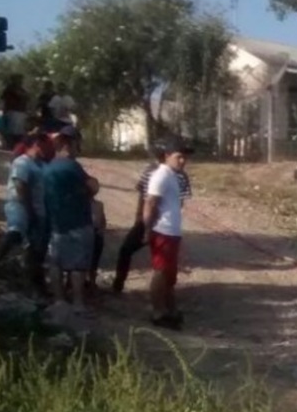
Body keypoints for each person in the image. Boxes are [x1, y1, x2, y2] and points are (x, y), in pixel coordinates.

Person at [112, 144, 193, 294]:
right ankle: (119, 282)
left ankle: (164, 297)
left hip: (161, 224)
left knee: (161, 264)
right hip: (154, 221)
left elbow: (177, 202)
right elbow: (145, 198)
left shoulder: (179, 175)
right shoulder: (154, 171)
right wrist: (141, 221)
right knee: (128, 251)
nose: (183, 160)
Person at [42, 126, 99, 314]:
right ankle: (77, 303)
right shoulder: (71, 166)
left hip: (57, 224)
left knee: (56, 263)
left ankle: (59, 300)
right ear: (69, 143)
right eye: (77, 143)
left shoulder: (49, 167)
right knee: (77, 266)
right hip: (78, 222)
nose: (78, 147)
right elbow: (92, 186)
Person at [0, 133, 52, 294]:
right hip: (20, 206)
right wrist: (29, 209)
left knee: (36, 250)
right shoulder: (23, 162)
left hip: (40, 211)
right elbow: (20, 186)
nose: (49, 149)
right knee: (16, 232)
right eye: (46, 145)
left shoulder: (42, 165)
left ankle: (36, 285)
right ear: (38, 144)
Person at [143, 138, 193, 329]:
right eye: (179, 157)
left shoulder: (172, 175)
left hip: (171, 232)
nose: (183, 161)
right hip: (162, 231)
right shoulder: (161, 175)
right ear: (167, 156)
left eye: (184, 157)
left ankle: (170, 309)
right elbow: (150, 202)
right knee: (160, 272)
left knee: (169, 275)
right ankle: (157, 312)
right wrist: (147, 229)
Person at [0, 74, 29, 148]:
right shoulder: (11, 88)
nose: (21, 81)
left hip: (21, 112)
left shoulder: (21, 89)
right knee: (13, 132)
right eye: (19, 79)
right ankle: (11, 147)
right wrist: (4, 111)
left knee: (19, 132)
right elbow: (4, 100)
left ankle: (16, 147)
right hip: (13, 112)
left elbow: (27, 98)